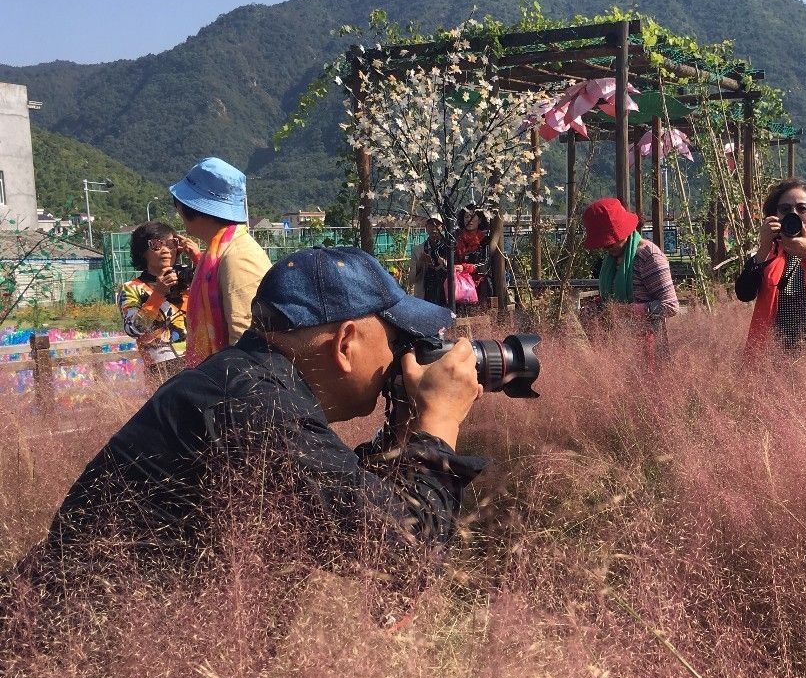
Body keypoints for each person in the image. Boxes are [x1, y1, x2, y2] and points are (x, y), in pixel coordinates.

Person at [3, 246, 482, 650]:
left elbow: (347, 515)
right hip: (71, 667)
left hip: (92, 646)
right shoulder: (257, 411)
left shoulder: (246, 383)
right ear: (346, 342)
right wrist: (438, 421)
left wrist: (403, 435)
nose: (406, 357)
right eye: (398, 339)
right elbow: (405, 554)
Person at [170, 157, 272, 364]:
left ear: (196, 209)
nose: (178, 211)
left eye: (180, 204)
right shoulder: (218, 252)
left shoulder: (239, 255)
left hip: (233, 383)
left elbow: (246, 335)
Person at [735, 179, 806, 359]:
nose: (793, 214)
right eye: (785, 209)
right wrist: (763, 249)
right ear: (775, 215)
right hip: (772, 356)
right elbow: (744, 294)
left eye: (802, 208)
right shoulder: (767, 254)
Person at [581, 198, 679, 349]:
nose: (605, 248)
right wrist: (599, 307)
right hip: (617, 347)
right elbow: (613, 296)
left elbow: (670, 306)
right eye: (602, 244)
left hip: (648, 348)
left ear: (622, 231)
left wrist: (627, 311)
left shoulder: (649, 256)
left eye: (609, 243)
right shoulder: (612, 259)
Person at [116, 221, 198, 380]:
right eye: (156, 245)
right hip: (161, 368)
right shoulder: (132, 288)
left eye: (171, 244)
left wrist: (197, 256)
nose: (166, 250)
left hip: (199, 360)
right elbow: (133, 329)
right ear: (142, 251)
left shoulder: (190, 279)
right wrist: (158, 294)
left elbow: (220, 283)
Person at [450, 207, 498, 314]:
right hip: (460, 284)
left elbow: (485, 265)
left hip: (480, 285)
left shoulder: (485, 240)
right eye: (466, 217)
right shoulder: (456, 239)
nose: (469, 220)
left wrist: (464, 267)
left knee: (480, 314)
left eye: (472, 217)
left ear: (480, 220)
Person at [412, 217, 449, 305]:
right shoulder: (418, 250)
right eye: (431, 224)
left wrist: (445, 264)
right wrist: (419, 264)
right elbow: (412, 278)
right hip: (427, 292)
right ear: (426, 227)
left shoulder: (450, 247)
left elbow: (457, 268)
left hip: (447, 291)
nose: (434, 228)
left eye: (437, 225)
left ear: (443, 227)